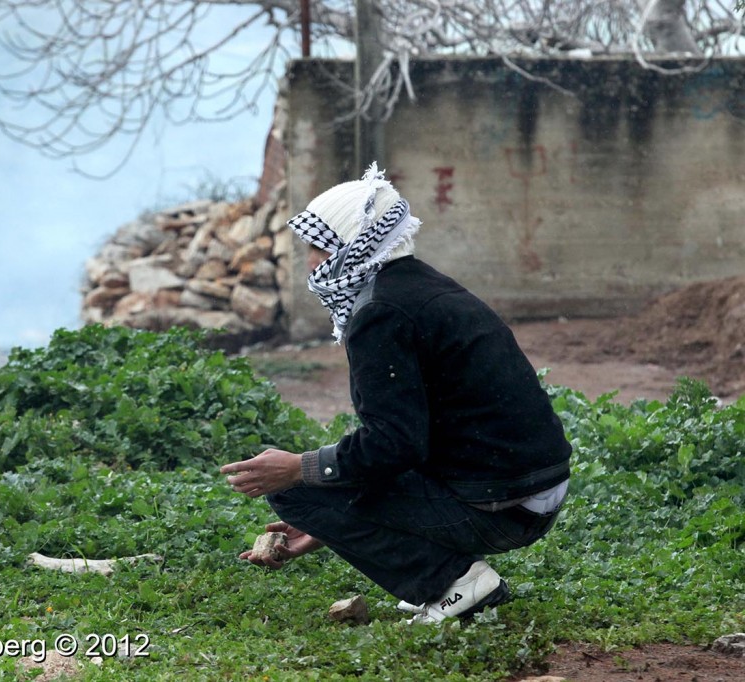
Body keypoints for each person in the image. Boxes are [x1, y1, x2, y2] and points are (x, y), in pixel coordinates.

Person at [220, 163, 571, 624]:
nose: (310, 262)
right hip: (533, 490)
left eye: (318, 247)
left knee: (293, 489)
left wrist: (301, 471)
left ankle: (452, 582)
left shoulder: (379, 314)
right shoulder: (420, 286)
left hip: (503, 506)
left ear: (351, 248)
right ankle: (448, 575)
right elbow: (412, 434)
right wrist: (331, 526)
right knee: (319, 481)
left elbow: (395, 444)